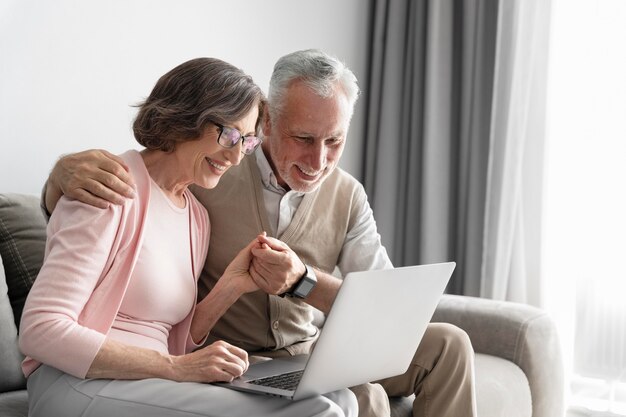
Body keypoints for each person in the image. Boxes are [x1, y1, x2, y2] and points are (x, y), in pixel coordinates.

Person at [42, 49, 477, 417]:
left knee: (449, 345)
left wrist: (301, 282)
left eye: (335, 141)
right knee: (359, 398)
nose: (318, 159)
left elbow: (384, 306)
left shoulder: (344, 194)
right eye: (304, 138)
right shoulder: (209, 173)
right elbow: (133, 187)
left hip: (313, 350)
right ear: (267, 120)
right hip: (237, 355)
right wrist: (58, 179)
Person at [19, 57, 358, 417]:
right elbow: (41, 330)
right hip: (77, 382)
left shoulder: (195, 216)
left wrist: (231, 285)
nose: (235, 156)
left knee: (340, 400)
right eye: (228, 134)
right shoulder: (109, 187)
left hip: (150, 383)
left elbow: (174, 344)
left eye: (246, 142)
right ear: (184, 119)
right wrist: (176, 369)